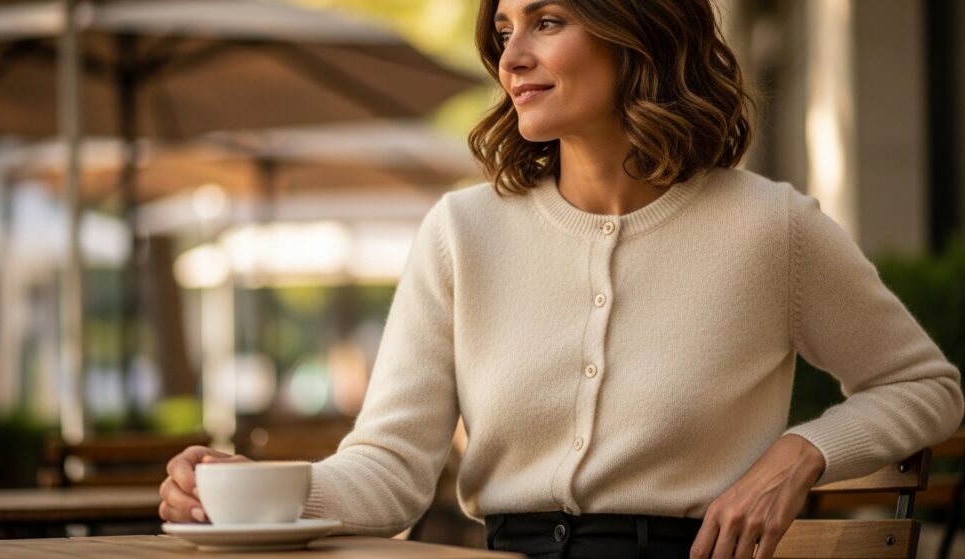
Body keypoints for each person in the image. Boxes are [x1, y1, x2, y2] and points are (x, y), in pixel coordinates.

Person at [159, 0, 964, 557]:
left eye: (548, 22)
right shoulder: (462, 232)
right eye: (505, 28)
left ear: (636, 32)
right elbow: (391, 469)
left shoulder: (769, 227)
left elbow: (926, 385)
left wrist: (799, 454)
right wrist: (254, 488)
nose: (511, 57)